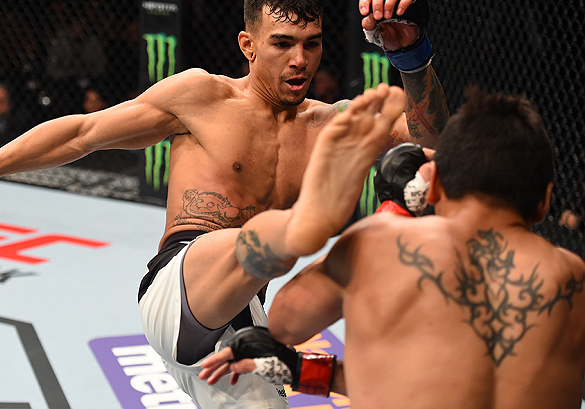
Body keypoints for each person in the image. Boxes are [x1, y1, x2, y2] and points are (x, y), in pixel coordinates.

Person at [0, 0, 449, 407]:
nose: (300, 60)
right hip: (180, 286)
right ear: (248, 45)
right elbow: (85, 131)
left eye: (311, 43)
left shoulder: (330, 123)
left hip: (241, 319)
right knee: (263, 240)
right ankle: (314, 225)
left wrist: (413, 59)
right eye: (282, 43)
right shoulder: (202, 97)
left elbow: (434, 140)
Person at [200, 89, 585, 408]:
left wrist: (393, 211)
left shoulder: (380, 244)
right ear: (544, 202)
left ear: (433, 186)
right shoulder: (574, 279)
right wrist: (302, 370)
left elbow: (285, 323)